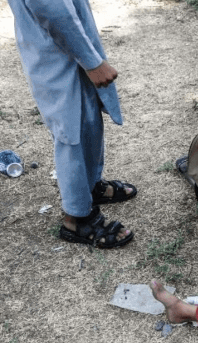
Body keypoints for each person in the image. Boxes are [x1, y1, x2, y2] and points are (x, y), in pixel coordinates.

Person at [9, 0, 136, 249]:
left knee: (87, 118)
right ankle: (77, 218)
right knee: (72, 129)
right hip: (55, 52)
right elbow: (51, 9)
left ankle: (88, 187)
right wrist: (92, 61)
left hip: (60, 46)